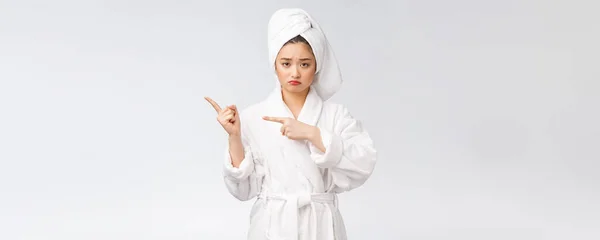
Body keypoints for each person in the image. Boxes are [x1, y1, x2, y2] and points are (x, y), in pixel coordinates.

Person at [204, 8, 377, 240]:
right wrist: (234, 136)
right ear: (274, 65)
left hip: (321, 227)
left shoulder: (335, 115)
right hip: (272, 227)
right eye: (286, 63)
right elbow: (243, 190)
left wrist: (314, 135)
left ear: (316, 66)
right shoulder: (254, 116)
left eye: (304, 64)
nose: (295, 72)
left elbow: (363, 163)